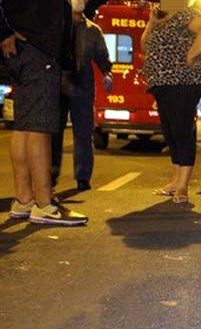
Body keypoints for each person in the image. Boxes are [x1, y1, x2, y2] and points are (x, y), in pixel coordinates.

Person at [1, 0, 88, 225]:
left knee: (24, 125)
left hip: (28, 47)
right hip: (38, 47)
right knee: (40, 126)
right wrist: (3, 32)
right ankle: (44, 204)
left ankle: (24, 199)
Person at [141, 0, 201, 204]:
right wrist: (151, 23)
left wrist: (191, 55)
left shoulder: (185, 14)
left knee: (181, 131)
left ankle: (183, 186)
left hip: (182, 83)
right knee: (170, 132)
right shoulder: (159, 18)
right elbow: (144, 45)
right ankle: (175, 181)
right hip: (162, 83)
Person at [52, 0, 113, 191]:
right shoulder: (57, 24)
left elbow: (102, 56)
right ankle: (50, 175)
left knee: (84, 133)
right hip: (58, 82)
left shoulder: (93, 29)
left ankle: (83, 177)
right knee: (54, 132)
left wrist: (107, 73)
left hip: (82, 83)